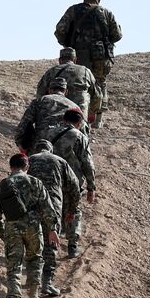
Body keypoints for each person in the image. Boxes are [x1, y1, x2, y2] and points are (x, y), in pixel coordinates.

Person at [0, 153, 57, 298]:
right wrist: (52, 229)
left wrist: (0, 232)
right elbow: (47, 208)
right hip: (33, 227)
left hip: (12, 228)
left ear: (10, 167)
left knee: (14, 267)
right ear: (27, 167)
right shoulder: (35, 182)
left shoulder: (4, 184)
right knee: (35, 259)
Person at [54, 0, 123, 126]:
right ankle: (97, 120)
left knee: (79, 83)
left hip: (79, 54)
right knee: (99, 83)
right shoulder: (107, 13)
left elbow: (60, 30)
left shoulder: (73, 10)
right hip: (101, 56)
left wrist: (68, 44)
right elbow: (117, 35)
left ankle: (76, 118)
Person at [26, 140, 80, 298]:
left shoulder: (29, 161)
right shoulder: (60, 161)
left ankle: (32, 278)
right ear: (51, 149)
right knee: (51, 242)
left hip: (31, 206)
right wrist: (71, 209)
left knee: (32, 241)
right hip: (53, 204)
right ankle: (47, 283)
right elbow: (74, 186)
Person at [50, 107, 98, 258]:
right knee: (73, 210)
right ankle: (72, 246)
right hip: (72, 181)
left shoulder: (48, 132)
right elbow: (87, 164)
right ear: (79, 123)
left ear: (64, 120)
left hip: (50, 178)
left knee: (50, 209)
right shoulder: (79, 136)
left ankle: (49, 244)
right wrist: (91, 186)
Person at [14, 76, 77, 151]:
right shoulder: (74, 107)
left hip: (41, 146)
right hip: (66, 146)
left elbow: (24, 124)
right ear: (66, 92)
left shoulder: (39, 101)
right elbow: (81, 130)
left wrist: (21, 145)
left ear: (49, 90)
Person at [36, 47, 97, 117]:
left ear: (59, 60)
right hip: (78, 116)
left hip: (55, 115)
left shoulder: (51, 72)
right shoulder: (85, 71)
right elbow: (97, 95)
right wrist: (93, 111)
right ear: (75, 60)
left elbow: (40, 94)